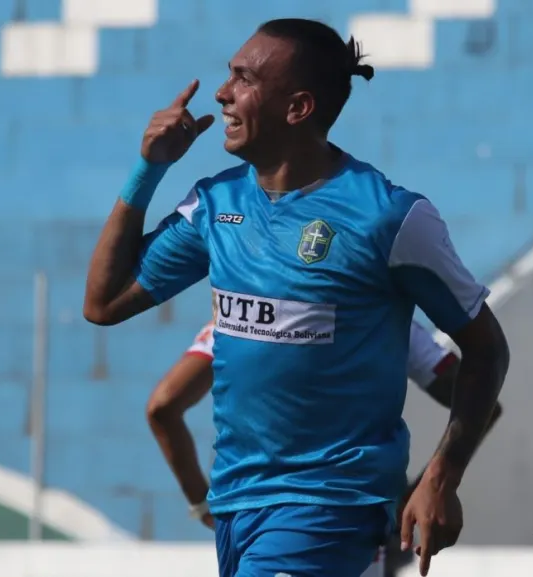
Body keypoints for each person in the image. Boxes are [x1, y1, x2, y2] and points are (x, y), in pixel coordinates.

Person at [83, 17, 510, 577]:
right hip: (239, 503)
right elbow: (104, 304)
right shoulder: (216, 205)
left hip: (331, 504)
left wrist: (440, 477)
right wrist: (148, 170)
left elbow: (486, 350)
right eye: (227, 75)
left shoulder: (390, 217)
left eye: (244, 78)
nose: (221, 92)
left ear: (298, 108)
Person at [146, 320, 505, 577]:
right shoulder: (384, 319)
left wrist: (201, 503)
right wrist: (422, 490)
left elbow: (162, 408)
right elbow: (480, 401)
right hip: (350, 516)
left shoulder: (240, 313)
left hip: (247, 514)